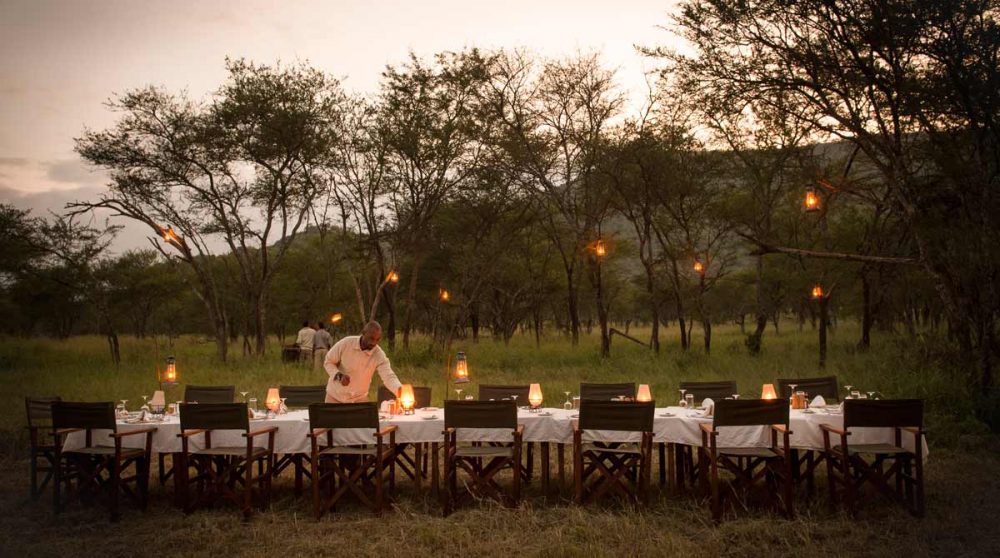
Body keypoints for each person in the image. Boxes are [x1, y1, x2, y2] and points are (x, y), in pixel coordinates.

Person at [323, 320, 402, 403]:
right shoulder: (346, 343)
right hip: (334, 398)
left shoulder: (379, 355)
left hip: (359, 400)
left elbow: (388, 376)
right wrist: (339, 376)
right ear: (363, 333)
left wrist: (400, 390)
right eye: (371, 338)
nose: (374, 343)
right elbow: (328, 361)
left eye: (377, 339)